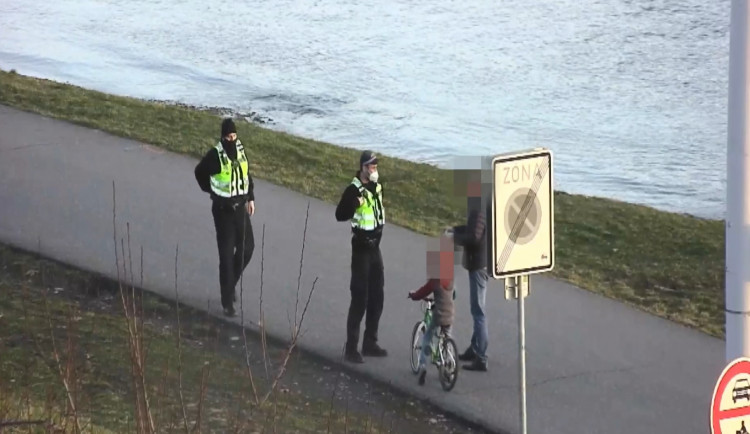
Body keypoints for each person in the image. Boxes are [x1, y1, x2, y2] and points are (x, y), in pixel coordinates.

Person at [194, 117, 256, 317]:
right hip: (223, 212)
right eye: (229, 136)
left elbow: (246, 174)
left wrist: (251, 198)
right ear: (223, 137)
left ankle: (229, 285)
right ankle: (227, 302)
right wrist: (210, 189)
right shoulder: (215, 155)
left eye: (234, 135)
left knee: (247, 249)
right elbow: (199, 172)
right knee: (226, 256)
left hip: (240, 209)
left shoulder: (239, 149)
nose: (232, 139)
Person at [335, 150, 387, 363]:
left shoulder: (376, 187)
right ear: (363, 167)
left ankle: (370, 342)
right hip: (361, 250)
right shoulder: (352, 190)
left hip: (376, 249)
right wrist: (353, 204)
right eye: (371, 166)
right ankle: (351, 348)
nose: (374, 169)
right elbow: (340, 215)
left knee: (378, 297)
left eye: (375, 166)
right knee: (360, 298)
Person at [450, 169, 490, 372]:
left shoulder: (479, 208)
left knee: (478, 311)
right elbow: (473, 229)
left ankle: (481, 357)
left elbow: (474, 237)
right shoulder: (480, 205)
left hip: (479, 264)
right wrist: (456, 230)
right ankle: (474, 349)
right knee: (477, 308)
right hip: (480, 262)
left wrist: (454, 238)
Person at [408, 235, 455, 386]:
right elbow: (453, 294)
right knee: (447, 336)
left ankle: (422, 365)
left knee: (428, 335)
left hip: (439, 313)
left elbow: (423, 292)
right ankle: (449, 362)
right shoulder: (450, 278)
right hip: (450, 313)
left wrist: (413, 295)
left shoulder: (435, 280)